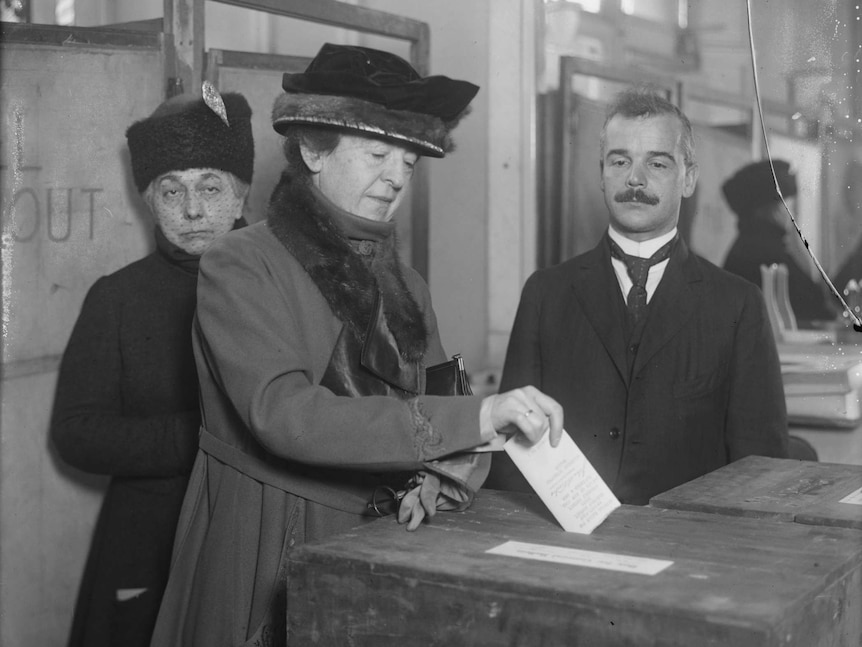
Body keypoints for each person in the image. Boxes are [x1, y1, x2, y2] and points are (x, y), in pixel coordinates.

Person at [149, 43, 563, 647]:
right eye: (376, 154)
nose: (395, 177)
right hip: (268, 534)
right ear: (314, 151)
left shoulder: (408, 285)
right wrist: (473, 418)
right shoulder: (240, 262)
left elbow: (435, 401)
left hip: (385, 542)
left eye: (409, 163)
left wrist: (434, 481)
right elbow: (285, 416)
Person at [486, 87, 788, 505]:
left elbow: (761, 470)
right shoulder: (546, 293)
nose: (635, 179)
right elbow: (510, 459)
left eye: (657, 163)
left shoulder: (737, 304)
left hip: (688, 548)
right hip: (565, 546)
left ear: (689, 178)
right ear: (601, 173)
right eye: (620, 160)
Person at [50, 88, 255, 647]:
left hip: (249, 536)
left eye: (210, 188)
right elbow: (75, 434)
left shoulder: (282, 289)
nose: (191, 211)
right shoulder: (118, 298)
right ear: (149, 200)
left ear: (240, 197)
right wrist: (203, 437)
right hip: (145, 543)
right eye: (172, 191)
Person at [721, 159, 837, 326]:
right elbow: (819, 308)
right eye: (789, 204)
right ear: (774, 207)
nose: (793, 212)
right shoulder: (768, 251)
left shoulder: (748, 244)